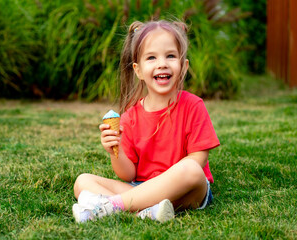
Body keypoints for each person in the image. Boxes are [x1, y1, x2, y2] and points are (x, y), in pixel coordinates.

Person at [72, 19, 220, 223]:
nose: (162, 63)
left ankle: (112, 206)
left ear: (183, 65)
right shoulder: (129, 117)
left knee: (192, 169)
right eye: (151, 57)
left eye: (170, 56)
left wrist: (158, 186)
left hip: (188, 192)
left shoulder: (193, 105)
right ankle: (146, 211)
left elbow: (198, 160)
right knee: (82, 182)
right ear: (138, 70)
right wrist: (116, 151)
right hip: (140, 188)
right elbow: (128, 173)